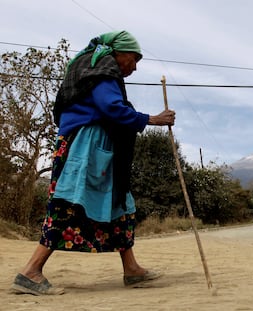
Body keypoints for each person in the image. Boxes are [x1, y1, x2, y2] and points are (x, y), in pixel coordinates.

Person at [11, 30, 175, 295]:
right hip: (86, 149)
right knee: (69, 204)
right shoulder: (101, 69)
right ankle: (31, 271)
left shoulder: (95, 68)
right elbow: (111, 108)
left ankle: (131, 269)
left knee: (119, 203)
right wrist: (152, 119)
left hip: (96, 148)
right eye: (133, 59)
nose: (133, 67)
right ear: (118, 53)